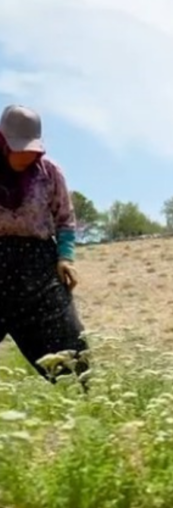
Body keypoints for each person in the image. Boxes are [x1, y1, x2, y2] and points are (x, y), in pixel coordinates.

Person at [0, 104, 89, 383]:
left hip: (38, 269)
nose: (26, 154)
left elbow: (65, 219)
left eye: (31, 147)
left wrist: (66, 257)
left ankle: (85, 412)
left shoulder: (49, 173)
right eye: (19, 147)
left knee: (71, 359)